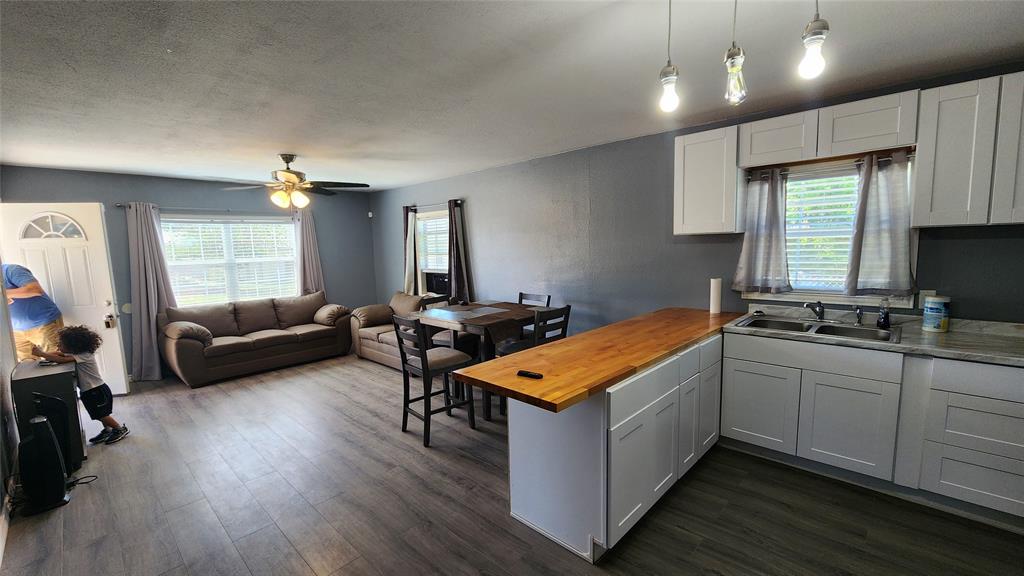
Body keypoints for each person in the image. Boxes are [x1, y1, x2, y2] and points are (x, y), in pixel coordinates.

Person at [32, 325, 129, 445]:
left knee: (101, 414)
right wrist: (42, 353)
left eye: (61, 344)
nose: (58, 346)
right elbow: (59, 354)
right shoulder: (76, 353)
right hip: (89, 391)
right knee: (99, 413)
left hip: (96, 391)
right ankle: (108, 430)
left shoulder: (84, 355)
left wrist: (42, 353)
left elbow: (61, 359)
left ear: (73, 346)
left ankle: (120, 429)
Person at [3, 263, 64, 361]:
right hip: (15, 332)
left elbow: (35, 289)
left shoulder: (11, 270)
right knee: (27, 369)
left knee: (57, 364)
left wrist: (4, 293)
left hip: (44, 325)